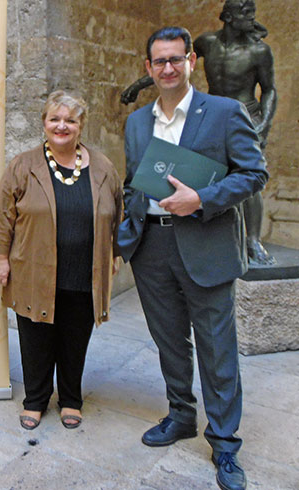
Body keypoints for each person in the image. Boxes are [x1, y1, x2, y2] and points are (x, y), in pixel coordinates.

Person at [117, 27, 268, 490]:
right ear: (148, 68)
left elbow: (253, 172)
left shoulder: (223, 113)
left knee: (217, 349)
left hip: (204, 244)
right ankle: (180, 415)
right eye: (158, 61)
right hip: (153, 249)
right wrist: (129, 222)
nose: (167, 68)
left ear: (190, 63)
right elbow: (132, 181)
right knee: (168, 343)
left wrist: (201, 197)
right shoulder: (137, 122)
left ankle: (224, 444)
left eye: (175, 60)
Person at [0, 90, 122, 431]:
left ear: (81, 125)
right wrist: (1, 258)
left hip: (84, 271)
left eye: (70, 120)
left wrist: (115, 252)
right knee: (35, 339)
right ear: (44, 123)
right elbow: (2, 214)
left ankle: (71, 399)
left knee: (76, 339)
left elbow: (117, 213)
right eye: (55, 119)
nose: (62, 126)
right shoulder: (23, 165)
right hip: (34, 270)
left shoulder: (103, 166)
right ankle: (35, 400)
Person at [120, 0, 276, 265]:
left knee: (243, 179)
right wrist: (137, 86)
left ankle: (252, 240)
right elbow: (168, 68)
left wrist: (264, 124)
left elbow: (269, 89)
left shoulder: (259, 51)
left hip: (245, 112)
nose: (251, 18)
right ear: (228, 16)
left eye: (253, 13)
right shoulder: (208, 43)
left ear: (190, 61)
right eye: (245, 12)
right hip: (152, 252)